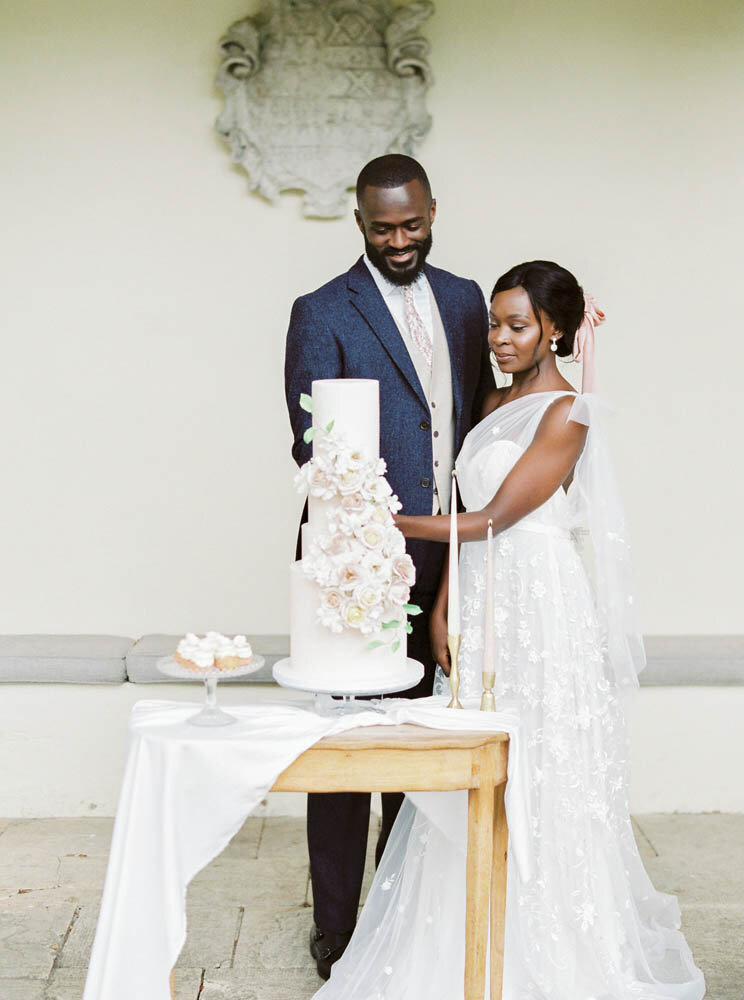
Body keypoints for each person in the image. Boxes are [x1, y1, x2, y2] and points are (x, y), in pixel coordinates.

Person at [313, 261, 705, 999]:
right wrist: (443, 604)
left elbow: (495, 518)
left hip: (541, 603)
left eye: (517, 325)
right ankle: (460, 925)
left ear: (553, 330)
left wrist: (381, 518)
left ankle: (545, 939)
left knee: (537, 762)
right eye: (494, 323)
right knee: (475, 760)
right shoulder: (495, 398)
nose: (497, 338)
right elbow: (474, 518)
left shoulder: (568, 412)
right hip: (488, 591)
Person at [284, 154, 493, 979]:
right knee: (347, 748)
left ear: (433, 210)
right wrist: (372, 545)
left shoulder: (467, 300)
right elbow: (315, 449)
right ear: (359, 219)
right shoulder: (320, 310)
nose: (399, 240)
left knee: (417, 738)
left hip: (451, 550)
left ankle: (398, 921)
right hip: (358, 564)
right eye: (382, 227)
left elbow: (485, 409)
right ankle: (337, 933)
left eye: (412, 224)